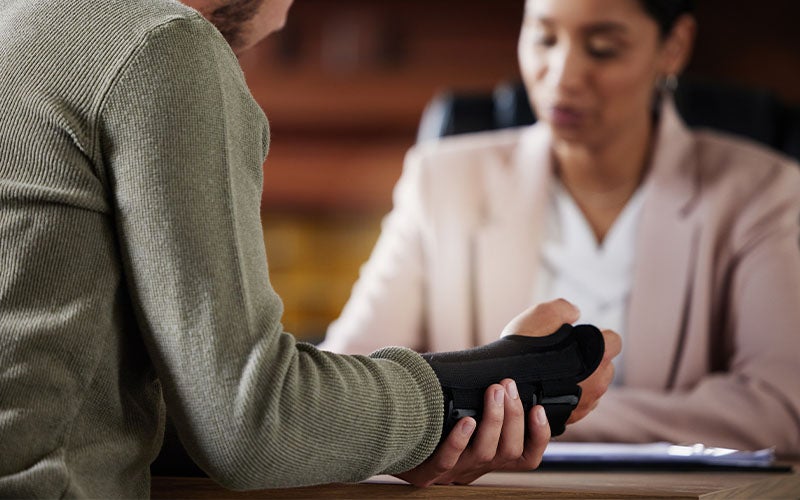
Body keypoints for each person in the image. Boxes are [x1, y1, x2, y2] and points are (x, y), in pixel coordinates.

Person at [0, 0, 622, 497]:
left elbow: (71, 404)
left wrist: (381, 436)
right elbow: (252, 425)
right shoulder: (163, 44)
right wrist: (524, 372)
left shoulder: (19, 24)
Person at [321, 0, 800, 455]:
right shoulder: (441, 182)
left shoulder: (759, 190)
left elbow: (780, 409)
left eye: (603, 49)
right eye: (544, 38)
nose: (563, 76)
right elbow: (343, 387)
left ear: (673, 46)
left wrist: (532, 408)